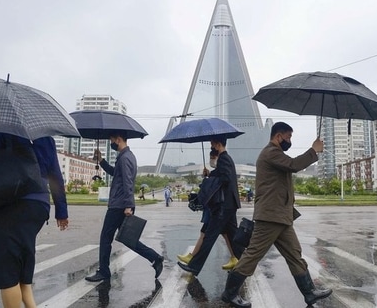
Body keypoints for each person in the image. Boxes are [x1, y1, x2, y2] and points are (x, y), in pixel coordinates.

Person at [221, 122, 332, 308]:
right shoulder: (270, 153)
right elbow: (294, 165)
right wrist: (313, 150)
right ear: (278, 136)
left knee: (295, 255)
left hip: (281, 216)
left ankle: (309, 293)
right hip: (271, 216)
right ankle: (230, 293)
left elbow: (289, 167)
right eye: (288, 137)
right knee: (252, 255)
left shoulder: (276, 153)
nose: (290, 141)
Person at [0, 132, 69, 308]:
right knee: (23, 264)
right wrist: (61, 212)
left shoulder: (2, 130)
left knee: (8, 270)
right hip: (39, 205)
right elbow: (55, 175)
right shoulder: (46, 137)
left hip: (13, 202)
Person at [85, 131, 164, 282]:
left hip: (119, 205)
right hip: (122, 204)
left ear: (119, 139)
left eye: (111, 140)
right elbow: (116, 173)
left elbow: (128, 182)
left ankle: (104, 271)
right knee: (128, 239)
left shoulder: (125, 157)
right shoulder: (126, 156)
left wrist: (128, 205)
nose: (111, 143)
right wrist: (101, 160)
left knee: (105, 237)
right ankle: (155, 258)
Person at [177, 137, 240, 276]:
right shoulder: (226, 158)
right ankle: (244, 263)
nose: (211, 147)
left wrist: (211, 180)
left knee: (209, 236)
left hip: (223, 205)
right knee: (233, 236)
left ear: (218, 144)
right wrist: (210, 174)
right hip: (230, 204)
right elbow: (222, 175)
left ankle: (194, 266)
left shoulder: (223, 158)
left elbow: (226, 178)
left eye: (212, 144)